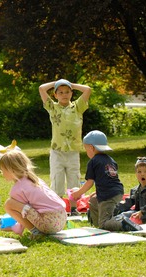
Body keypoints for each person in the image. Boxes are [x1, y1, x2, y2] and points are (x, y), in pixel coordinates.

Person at [39, 79, 92, 216]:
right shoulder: (52, 107)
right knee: (57, 179)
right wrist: (56, 83)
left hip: (73, 151)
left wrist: (70, 84)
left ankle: (74, 209)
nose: (64, 94)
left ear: (71, 93)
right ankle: (59, 208)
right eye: (60, 92)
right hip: (57, 151)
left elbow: (87, 90)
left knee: (74, 178)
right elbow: (41, 88)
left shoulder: (78, 106)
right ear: (55, 95)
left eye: (67, 92)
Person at [0, 150, 67, 240]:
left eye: (2, 170)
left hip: (49, 223)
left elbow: (22, 212)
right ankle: (27, 229)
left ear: (12, 170)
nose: (1, 173)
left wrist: (18, 227)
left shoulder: (17, 189)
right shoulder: (35, 179)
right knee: (23, 206)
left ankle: (36, 232)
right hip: (62, 218)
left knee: (9, 204)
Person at [71, 130, 133, 231]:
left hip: (108, 196)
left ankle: (122, 223)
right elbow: (107, 179)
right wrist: (97, 191)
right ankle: (97, 225)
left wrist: (78, 193)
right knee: (93, 201)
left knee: (105, 223)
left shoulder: (93, 161)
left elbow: (89, 183)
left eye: (86, 149)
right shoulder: (110, 160)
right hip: (117, 191)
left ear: (91, 147)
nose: (87, 152)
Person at [115, 157, 146, 227]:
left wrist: (142, 211)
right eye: (139, 172)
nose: (142, 174)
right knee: (123, 215)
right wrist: (115, 208)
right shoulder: (136, 190)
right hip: (139, 215)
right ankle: (112, 222)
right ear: (136, 174)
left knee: (128, 219)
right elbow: (128, 202)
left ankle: (125, 225)